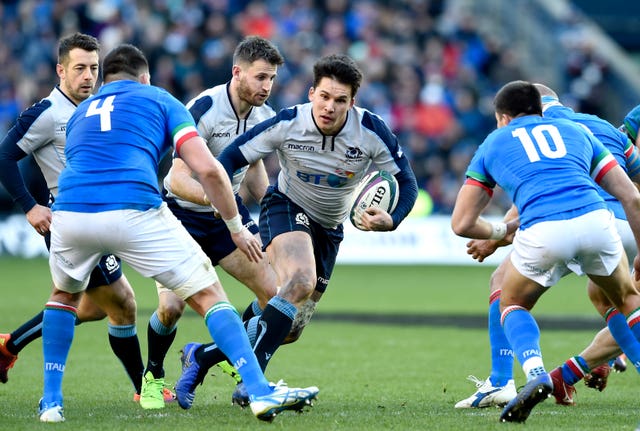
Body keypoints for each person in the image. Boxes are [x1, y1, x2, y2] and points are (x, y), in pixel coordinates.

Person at [37, 43, 318, 423]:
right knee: (204, 296)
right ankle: (257, 390)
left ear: (105, 80)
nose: (268, 85)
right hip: (149, 208)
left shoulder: (81, 111)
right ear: (145, 78)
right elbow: (205, 170)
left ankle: (51, 403)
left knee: (64, 296)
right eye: (261, 76)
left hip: (70, 212)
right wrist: (236, 223)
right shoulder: (166, 99)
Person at [175, 53, 418, 408]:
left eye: (340, 100)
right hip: (286, 207)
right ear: (311, 94)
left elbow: (406, 183)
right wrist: (224, 202)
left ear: (353, 103)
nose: (330, 107)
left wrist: (392, 218)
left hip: (330, 228)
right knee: (300, 281)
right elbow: (229, 158)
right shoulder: (288, 122)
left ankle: (203, 356)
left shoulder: (371, 130)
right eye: (323, 97)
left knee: (289, 329)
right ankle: (255, 383)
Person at [0, 32, 176, 404]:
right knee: (119, 302)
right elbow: (4, 157)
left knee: (99, 306)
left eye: (94, 68)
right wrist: (30, 206)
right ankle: (144, 390)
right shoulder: (47, 114)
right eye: (79, 68)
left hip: (104, 217)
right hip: (72, 221)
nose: (88, 77)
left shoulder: (99, 105)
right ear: (60, 70)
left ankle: (9, 345)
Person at [451, 80, 640, 423]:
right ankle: (575, 371)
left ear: (503, 117)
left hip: (544, 229)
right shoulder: (584, 129)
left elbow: (462, 222)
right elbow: (632, 193)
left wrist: (497, 233)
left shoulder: (496, 140)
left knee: (511, 300)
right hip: (603, 221)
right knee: (626, 302)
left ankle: (521, 375)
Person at [142, 35, 284, 410]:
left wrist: (268, 220)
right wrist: (220, 201)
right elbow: (175, 179)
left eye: (271, 79)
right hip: (179, 219)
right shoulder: (203, 107)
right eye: (260, 78)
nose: (267, 87)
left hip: (226, 220)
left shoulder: (265, 118)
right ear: (237, 72)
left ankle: (213, 356)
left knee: (276, 296)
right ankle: (153, 375)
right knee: (171, 308)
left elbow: (255, 173)